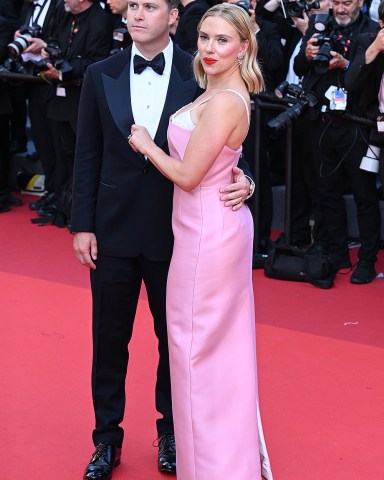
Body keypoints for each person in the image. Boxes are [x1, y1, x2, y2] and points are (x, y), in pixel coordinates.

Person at [70, 0, 254, 478]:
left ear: (173, 16)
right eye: (131, 5)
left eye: (149, 6)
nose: (136, 14)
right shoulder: (100, 73)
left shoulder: (201, 76)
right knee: (108, 340)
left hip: (176, 237)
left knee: (174, 343)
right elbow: (85, 152)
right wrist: (81, 224)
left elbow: (232, 143)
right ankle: (105, 440)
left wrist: (247, 180)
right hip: (110, 230)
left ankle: (173, 433)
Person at [129, 4, 272, 479]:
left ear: (243, 47)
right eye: (205, 38)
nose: (210, 48)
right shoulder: (213, 90)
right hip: (202, 228)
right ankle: (215, 464)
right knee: (209, 354)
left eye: (222, 40)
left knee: (194, 353)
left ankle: (212, 469)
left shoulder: (229, 99)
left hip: (209, 236)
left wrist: (147, 144)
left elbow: (190, 176)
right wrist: (244, 180)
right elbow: (226, 159)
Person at [293, 0, 381, 284]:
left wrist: (347, 64)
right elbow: (298, 67)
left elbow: (365, 77)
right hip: (321, 123)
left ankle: (367, 258)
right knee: (326, 192)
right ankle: (338, 251)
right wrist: (307, 54)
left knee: (363, 194)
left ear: (360, 3)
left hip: (357, 124)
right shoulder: (320, 24)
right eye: (337, 2)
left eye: (348, 2)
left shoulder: (372, 30)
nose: (341, 9)